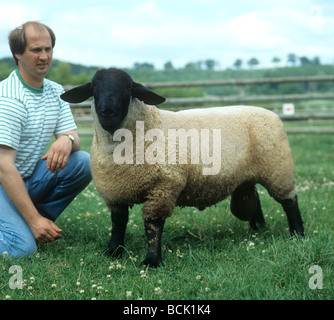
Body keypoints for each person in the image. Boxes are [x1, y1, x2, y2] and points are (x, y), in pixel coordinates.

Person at [0, 21, 92, 258]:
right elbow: (3, 167)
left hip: (27, 178)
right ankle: (30, 225)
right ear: (17, 54)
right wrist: (32, 221)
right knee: (22, 248)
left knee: (82, 161)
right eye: (36, 50)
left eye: (48, 49)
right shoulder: (10, 99)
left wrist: (66, 140)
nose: (44, 57)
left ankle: (37, 222)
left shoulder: (54, 90)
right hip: (3, 182)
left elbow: (75, 138)